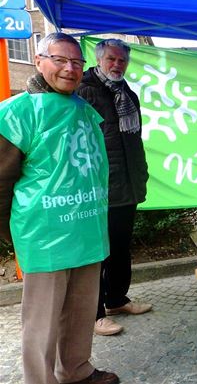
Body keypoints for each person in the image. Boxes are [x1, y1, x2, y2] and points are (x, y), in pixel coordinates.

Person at [0, 33, 119, 383]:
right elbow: (1, 182)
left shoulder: (85, 110)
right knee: (42, 322)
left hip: (84, 229)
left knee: (81, 313)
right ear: (39, 61)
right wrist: (12, 235)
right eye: (60, 60)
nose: (69, 69)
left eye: (77, 62)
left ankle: (76, 370)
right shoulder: (17, 113)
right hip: (44, 235)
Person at [77, 39, 151, 337]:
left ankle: (117, 300)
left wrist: (140, 176)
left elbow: (133, 141)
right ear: (99, 59)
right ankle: (94, 315)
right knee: (98, 252)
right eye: (111, 59)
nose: (117, 64)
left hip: (126, 184)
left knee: (120, 248)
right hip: (98, 186)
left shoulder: (127, 93)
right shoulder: (85, 91)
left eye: (122, 60)